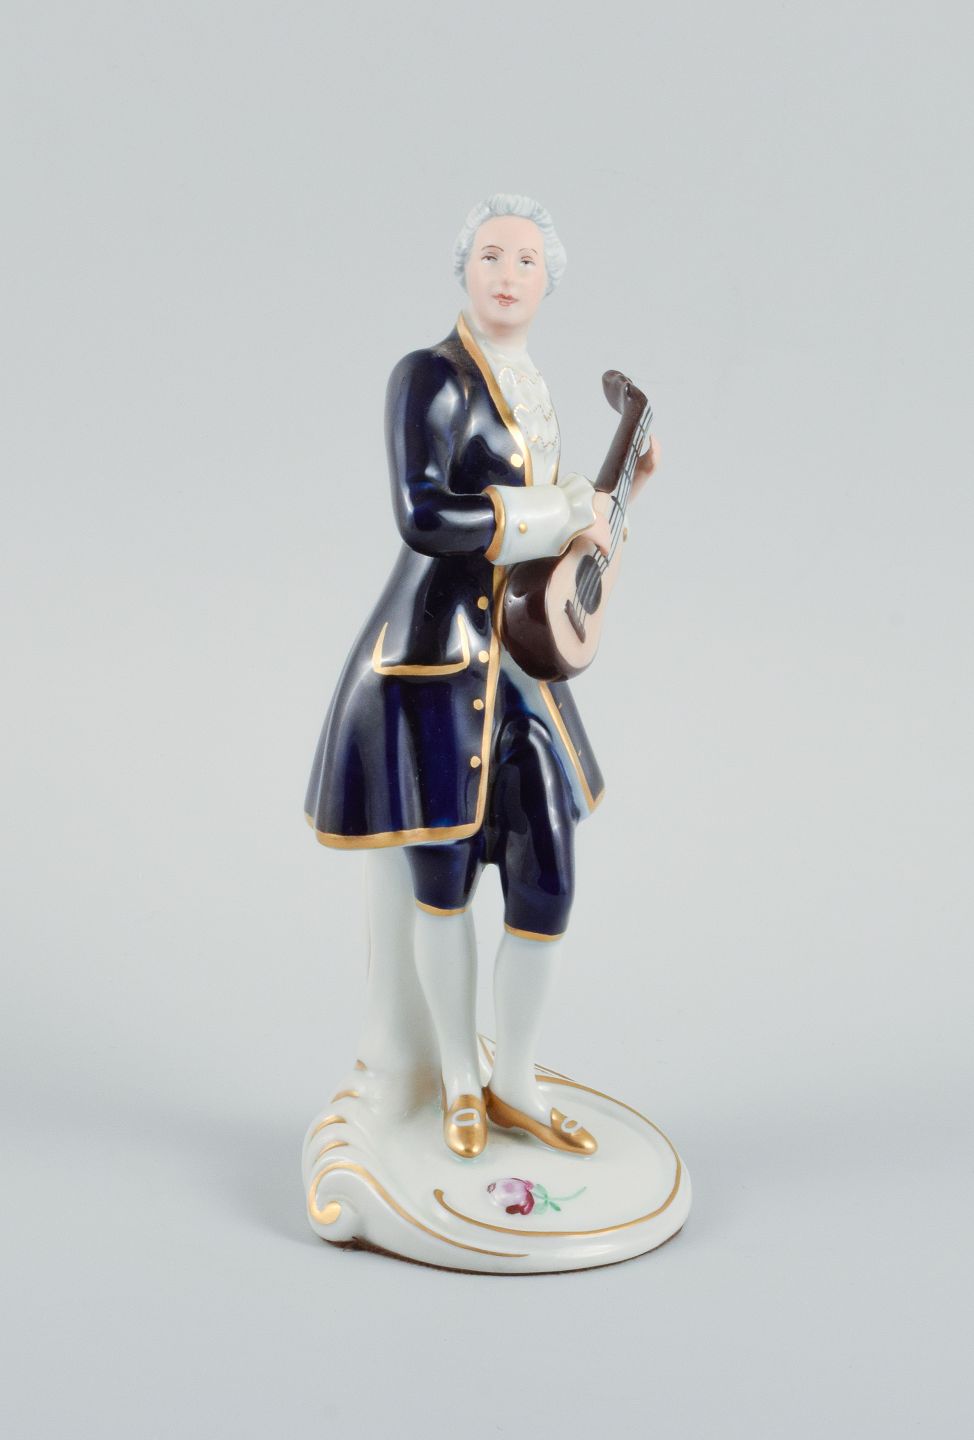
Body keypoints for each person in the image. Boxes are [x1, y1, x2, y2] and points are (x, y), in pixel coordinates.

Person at [305, 194, 656, 1160]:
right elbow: (425, 516)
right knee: (444, 880)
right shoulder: (429, 377)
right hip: (433, 667)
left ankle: (517, 1078)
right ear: (464, 267)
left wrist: (617, 499)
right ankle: (459, 1077)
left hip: (521, 671)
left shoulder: (530, 385)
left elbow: (561, 546)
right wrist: (557, 511)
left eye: (527, 261)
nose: (508, 275)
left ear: (548, 282)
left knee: (549, 874)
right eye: (492, 255)